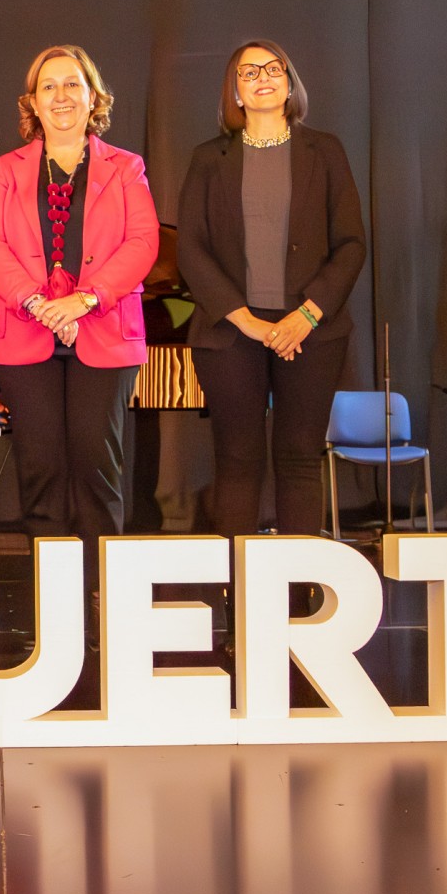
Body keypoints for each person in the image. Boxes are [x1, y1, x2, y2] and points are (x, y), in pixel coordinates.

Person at [0, 45, 159, 609]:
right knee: (42, 468)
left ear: (92, 96)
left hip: (100, 330)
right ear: (32, 101)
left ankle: (105, 593)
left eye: (72, 85)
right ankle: (55, 598)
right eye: (48, 87)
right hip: (26, 331)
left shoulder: (125, 167)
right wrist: (37, 302)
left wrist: (84, 301)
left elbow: (143, 242)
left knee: (96, 466)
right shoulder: (8, 168)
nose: (61, 96)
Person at [177, 40, 365, 540]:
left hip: (311, 332)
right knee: (237, 461)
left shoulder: (325, 151)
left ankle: (300, 598)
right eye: (248, 71)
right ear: (234, 92)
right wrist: (248, 321)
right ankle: (240, 599)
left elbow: (350, 245)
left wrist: (305, 316)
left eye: (273, 67)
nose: (262, 76)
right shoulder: (207, 159)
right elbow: (191, 250)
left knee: (300, 458)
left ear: (289, 80)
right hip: (231, 333)